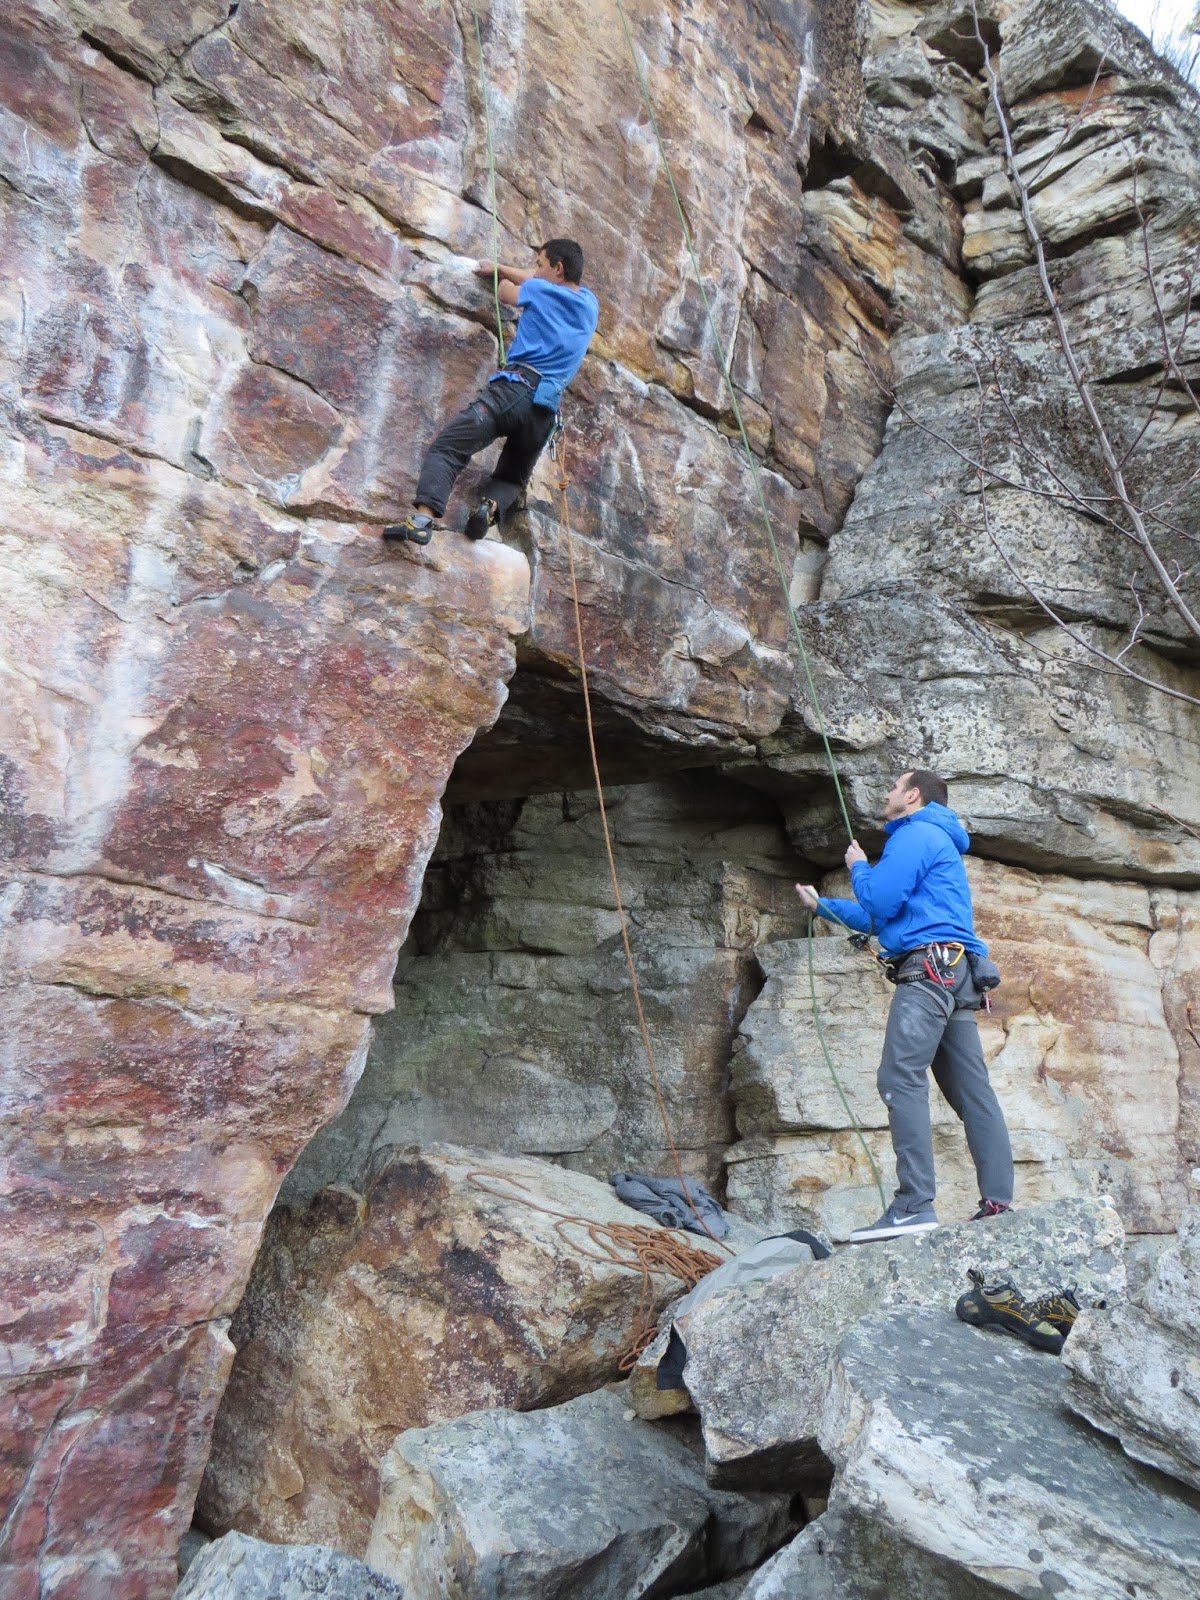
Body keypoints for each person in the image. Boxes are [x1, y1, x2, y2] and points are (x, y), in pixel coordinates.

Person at [795, 769, 1014, 1243]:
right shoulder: (937, 837)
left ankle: (913, 1206)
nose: (887, 793)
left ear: (912, 796)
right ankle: (998, 1204)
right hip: (956, 974)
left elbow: (878, 899)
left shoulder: (915, 834)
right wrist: (822, 906)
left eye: (893, 787)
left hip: (929, 972)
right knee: (972, 1094)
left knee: (899, 1078)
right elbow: (883, 917)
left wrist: (858, 866)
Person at [384, 238, 599, 545]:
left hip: (512, 393)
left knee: (448, 448)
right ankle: (489, 507)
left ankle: (421, 521)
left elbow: (505, 291)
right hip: (544, 413)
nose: (535, 271)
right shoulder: (590, 305)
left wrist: (499, 274)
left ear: (559, 269)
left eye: (540, 264)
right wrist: (505, 267)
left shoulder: (537, 290)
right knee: (512, 478)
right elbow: (537, 280)